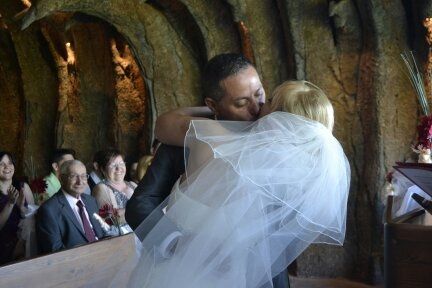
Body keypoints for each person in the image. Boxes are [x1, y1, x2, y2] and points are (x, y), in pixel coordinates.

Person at [119, 80, 350, 288]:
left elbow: (165, 124)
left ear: (280, 117)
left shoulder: (211, 136)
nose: (259, 105)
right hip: (234, 274)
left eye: (266, 99)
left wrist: (213, 109)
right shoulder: (304, 177)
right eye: (245, 99)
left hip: (186, 273)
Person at [124, 53, 294, 287]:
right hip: (196, 273)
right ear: (213, 104)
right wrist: (177, 244)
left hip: (266, 273)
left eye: (259, 94)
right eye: (241, 103)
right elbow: (141, 203)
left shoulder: (273, 134)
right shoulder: (186, 138)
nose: (256, 108)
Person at [36, 160, 104, 254]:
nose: (80, 182)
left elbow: (101, 233)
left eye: (84, 176)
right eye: (73, 176)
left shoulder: (91, 201)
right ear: (61, 178)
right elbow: (55, 251)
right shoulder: (49, 210)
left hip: (102, 254)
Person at [0, 151, 35, 265]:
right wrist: (10, 203)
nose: (7, 167)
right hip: (3, 246)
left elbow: (33, 217)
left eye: (10, 163)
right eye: (1, 164)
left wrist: (21, 208)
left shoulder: (23, 187)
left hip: (24, 243)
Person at [92, 149, 137, 234]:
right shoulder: (101, 188)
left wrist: (124, 211)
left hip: (142, 232)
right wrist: (141, 209)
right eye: (113, 165)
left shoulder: (132, 184)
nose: (119, 168)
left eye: (121, 163)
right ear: (103, 169)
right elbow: (114, 220)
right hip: (123, 238)